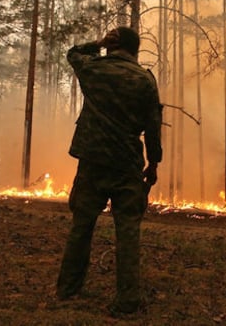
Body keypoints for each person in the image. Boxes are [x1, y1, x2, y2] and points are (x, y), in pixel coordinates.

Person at [56, 27, 162, 317]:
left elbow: (72, 54)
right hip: (127, 165)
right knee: (127, 231)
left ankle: (67, 289)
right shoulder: (145, 80)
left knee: (82, 226)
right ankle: (127, 302)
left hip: (92, 162)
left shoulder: (94, 69)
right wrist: (153, 164)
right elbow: (152, 127)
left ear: (112, 45)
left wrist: (97, 43)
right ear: (135, 51)